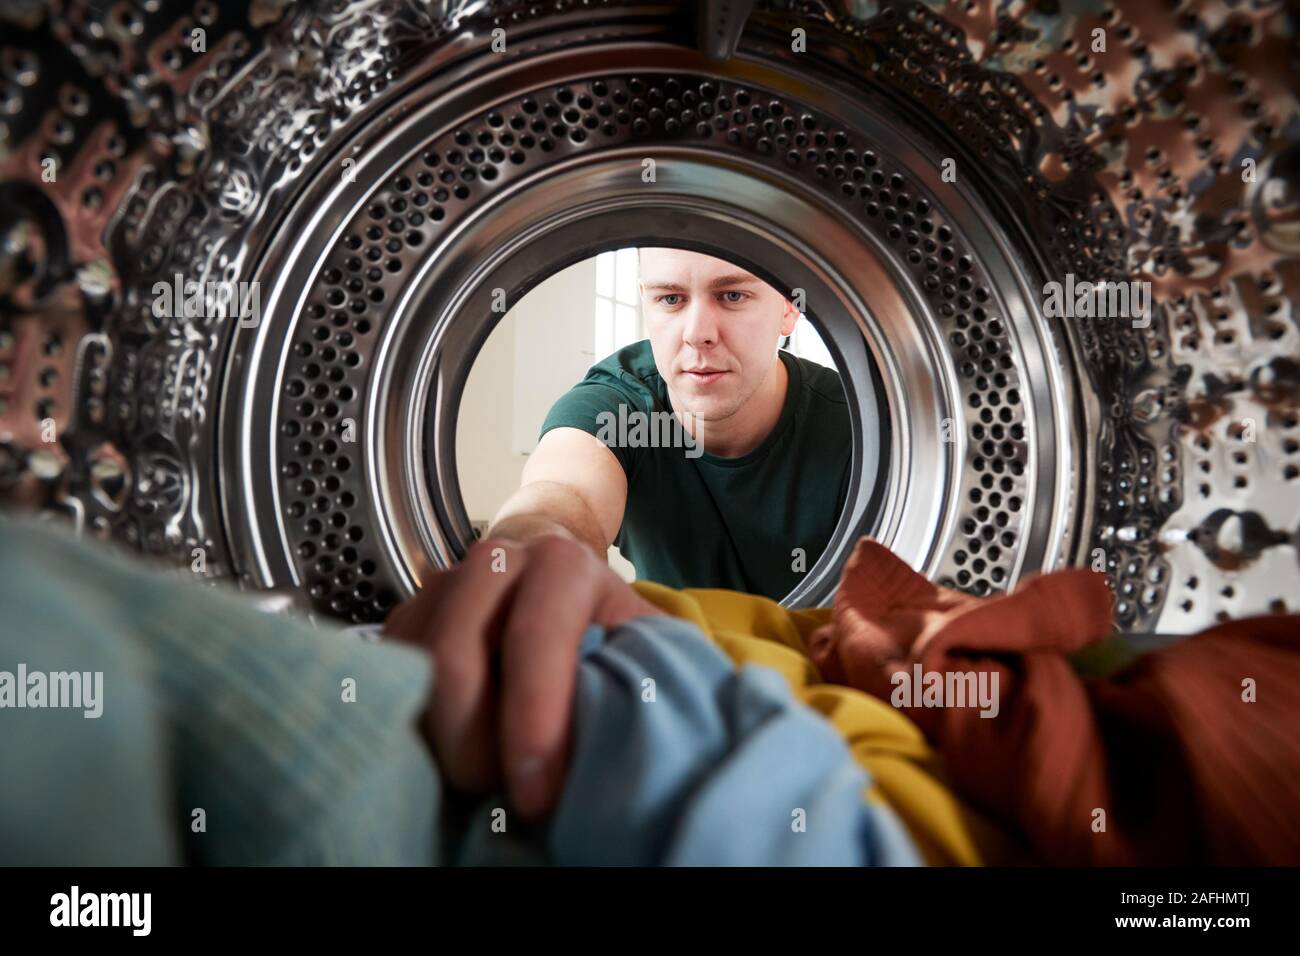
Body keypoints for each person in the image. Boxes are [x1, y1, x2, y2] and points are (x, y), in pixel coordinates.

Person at [489, 247, 853, 600]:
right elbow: (564, 493)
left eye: (732, 295)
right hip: (663, 659)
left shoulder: (859, 428)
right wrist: (532, 553)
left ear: (789, 307)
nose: (697, 333)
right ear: (645, 299)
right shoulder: (618, 406)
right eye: (671, 299)